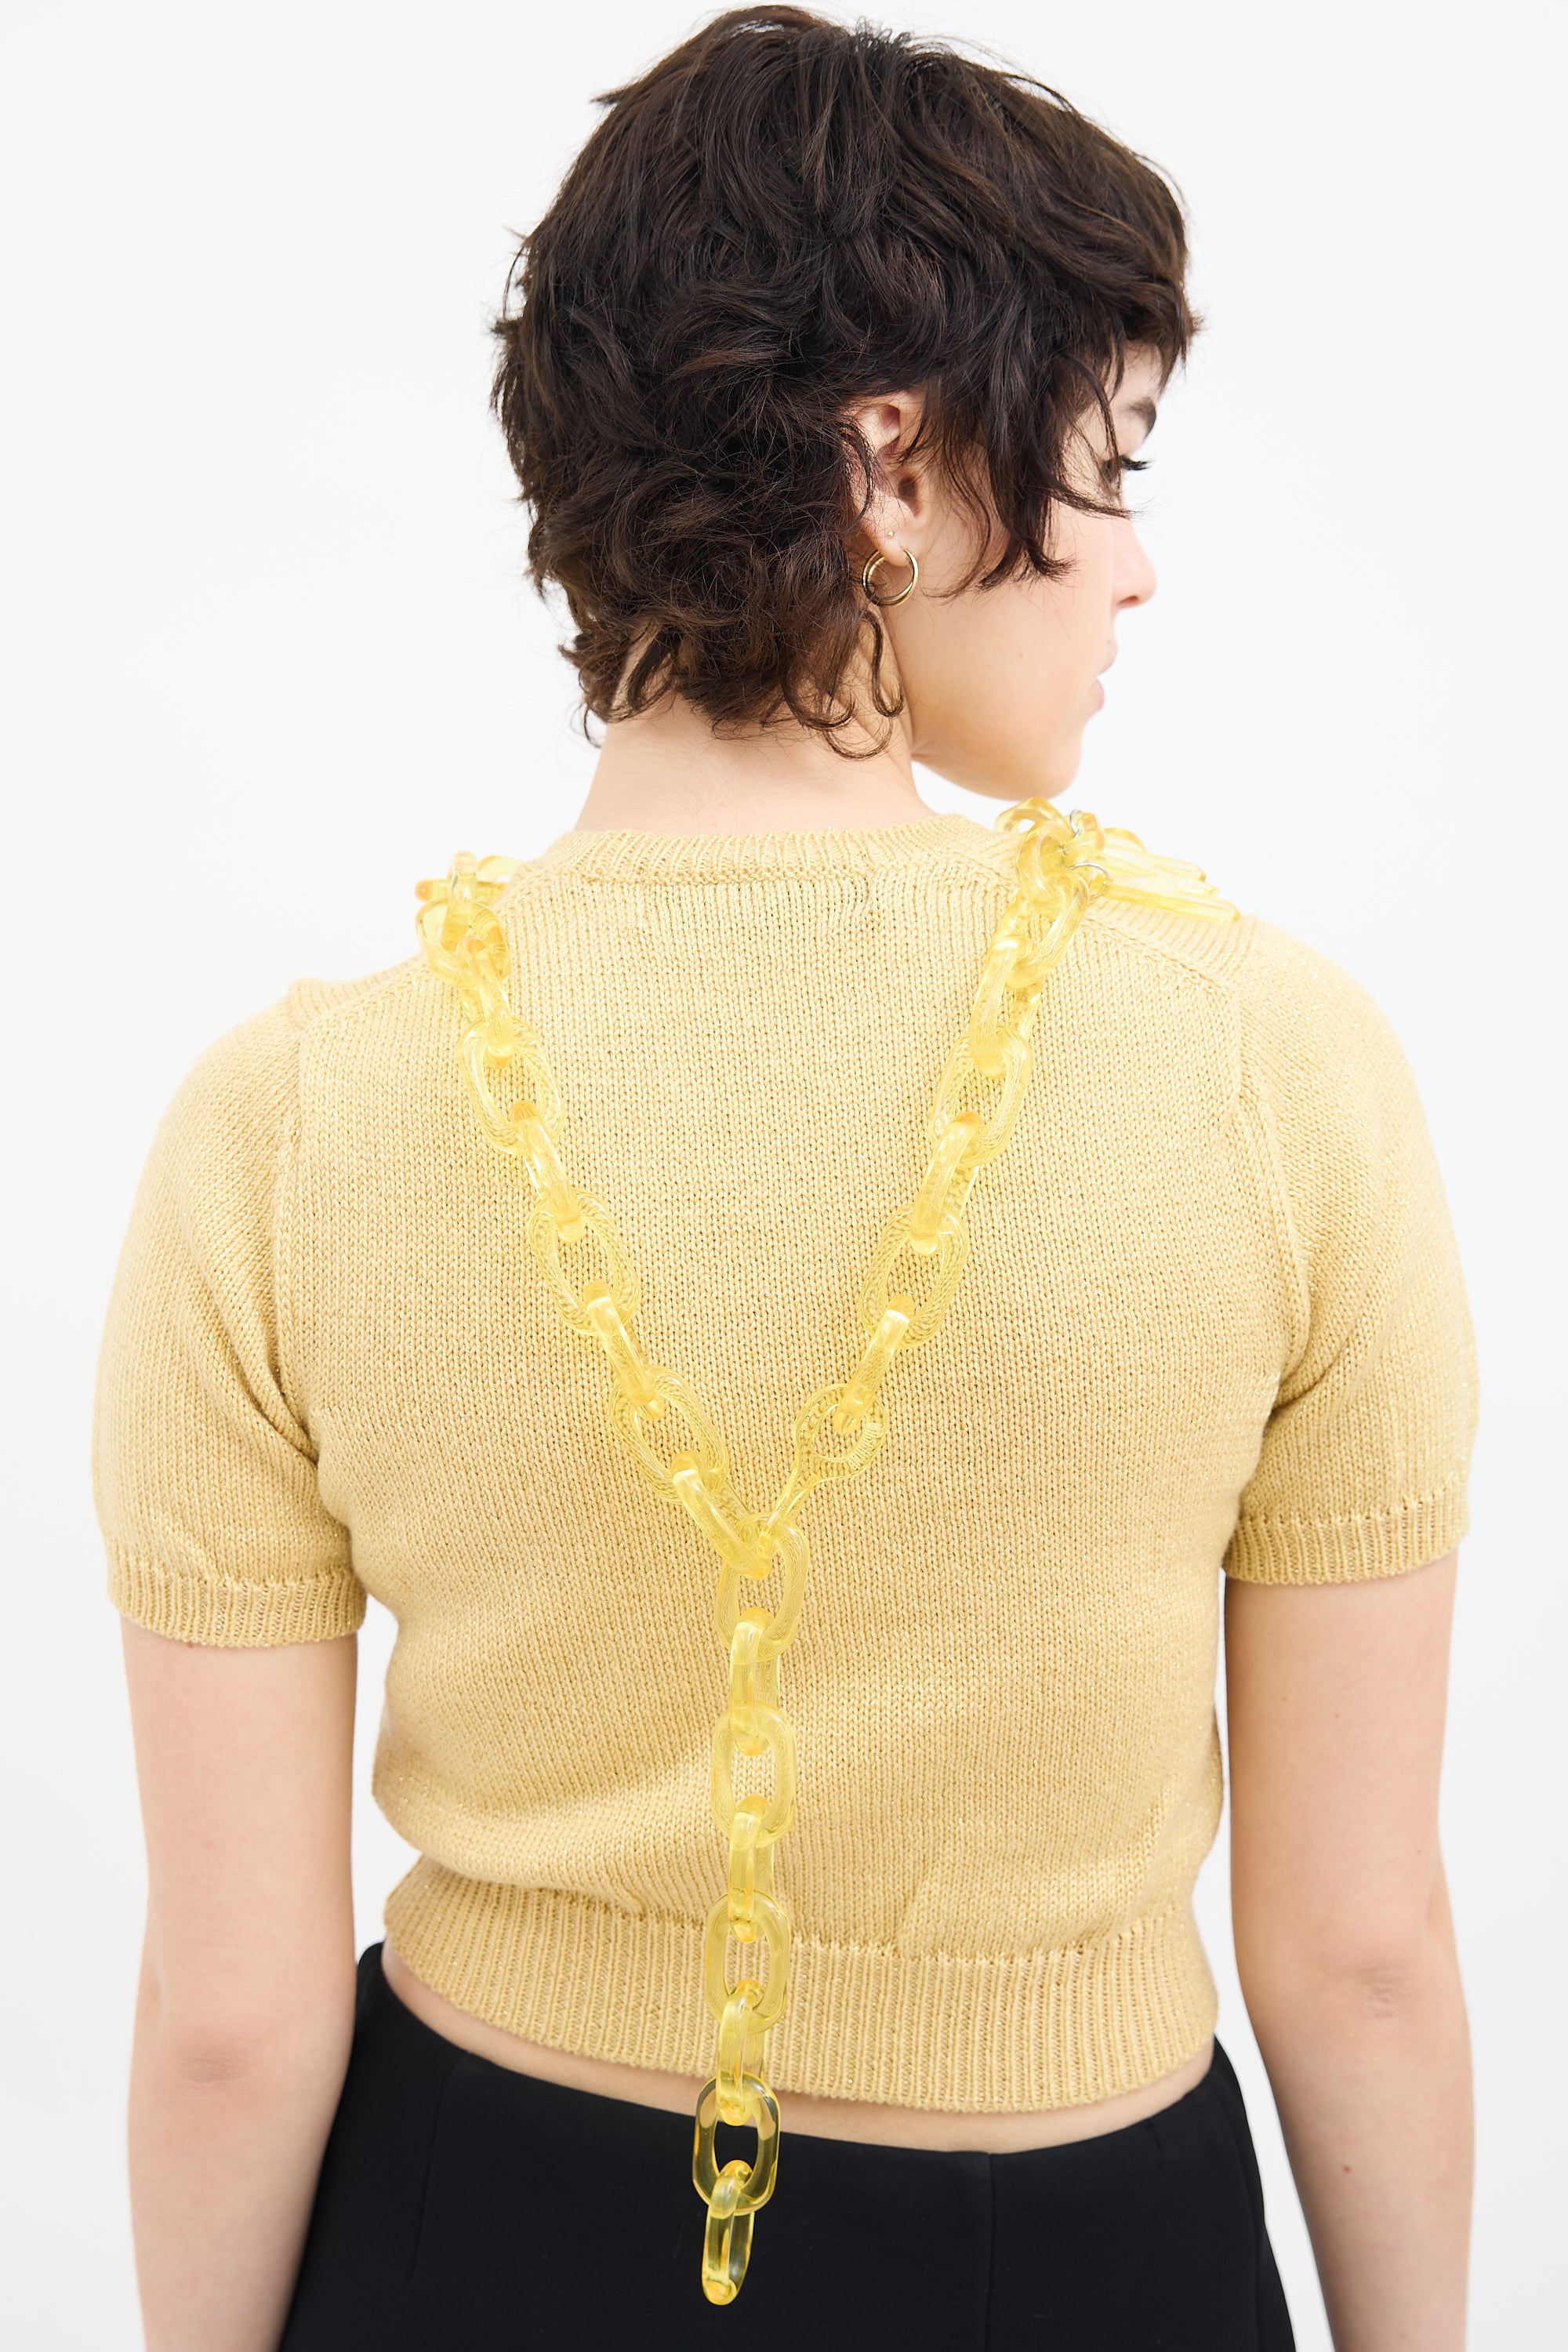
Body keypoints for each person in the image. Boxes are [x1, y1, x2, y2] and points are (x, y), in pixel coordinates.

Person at [95, 9, 1478, 2348]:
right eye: (1112, 464)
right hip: (1087, 2264)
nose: (1136, 568)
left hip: (466, 2240)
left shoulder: (284, 1124)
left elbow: (231, 2020)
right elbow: (1354, 1949)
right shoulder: (1279, 1066)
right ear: (895, 470)